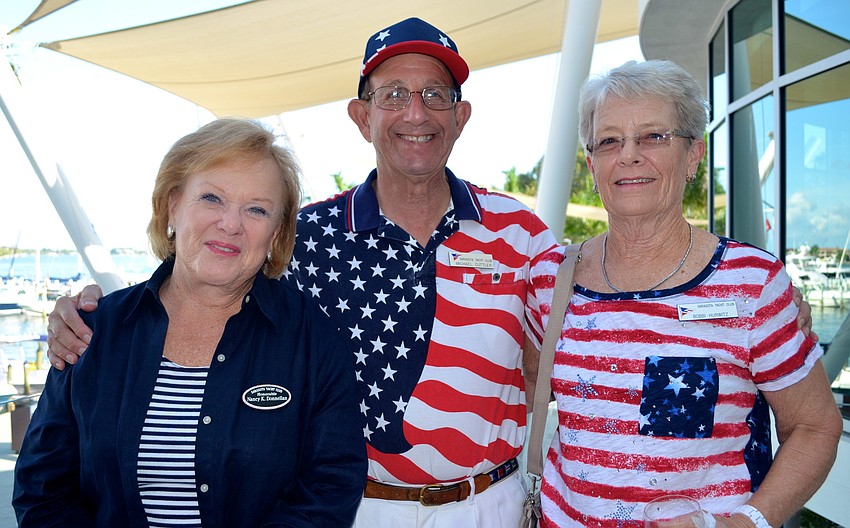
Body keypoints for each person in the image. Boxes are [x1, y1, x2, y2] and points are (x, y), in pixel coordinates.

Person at [42, 20, 817, 528]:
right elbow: (203, 286)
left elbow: (598, 325)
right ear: (361, 115)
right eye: (394, 95)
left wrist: (755, 313)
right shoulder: (301, 235)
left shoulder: (525, 236)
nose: (416, 112)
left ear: (462, 114)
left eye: (436, 94)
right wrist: (87, 316)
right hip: (350, 509)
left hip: (490, 504)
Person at [526, 60, 842, 528]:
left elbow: (815, 426)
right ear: (592, 165)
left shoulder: (751, 282)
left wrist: (747, 523)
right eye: (610, 140)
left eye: (653, 136)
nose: (629, 155)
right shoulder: (552, 278)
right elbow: (524, 388)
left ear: (693, 155)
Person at [13, 118, 367, 527]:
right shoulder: (92, 331)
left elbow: (330, 488)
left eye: (256, 209)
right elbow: (43, 490)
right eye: (212, 198)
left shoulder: (311, 340)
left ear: (276, 234)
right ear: (171, 205)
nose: (231, 224)